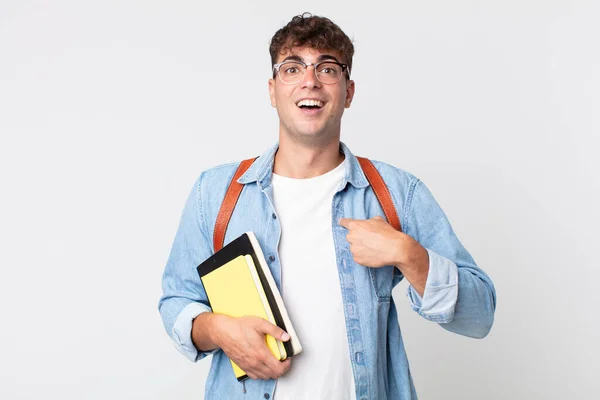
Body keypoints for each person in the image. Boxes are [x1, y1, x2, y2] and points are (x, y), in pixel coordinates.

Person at [158, 12, 496, 400]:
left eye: (327, 68)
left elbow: (480, 315)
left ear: (348, 91)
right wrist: (218, 330)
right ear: (272, 90)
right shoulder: (216, 193)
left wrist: (409, 254)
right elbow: (176, 301)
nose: (310, 80)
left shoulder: (396, 193)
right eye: (292, 68)